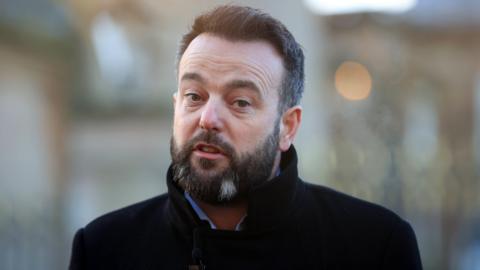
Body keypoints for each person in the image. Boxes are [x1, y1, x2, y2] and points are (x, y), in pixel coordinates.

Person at [69, 5, 422, 270]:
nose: (208, 119)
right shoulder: (103, 249)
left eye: (240, 102)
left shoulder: (375, 247)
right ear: (176, 107)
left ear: (288, 127)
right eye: (194, 96)